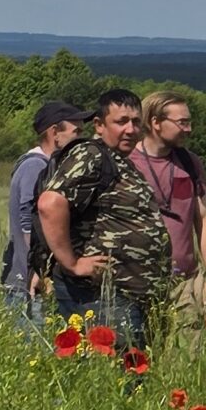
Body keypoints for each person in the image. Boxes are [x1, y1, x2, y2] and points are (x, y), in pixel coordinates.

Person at [37, 88, 170, 346]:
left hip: (128, 298)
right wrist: (72, 263)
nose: (131, 130)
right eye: (121, 122)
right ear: (98, 125)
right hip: (102, 297)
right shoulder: (92, 154)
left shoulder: (118, 160)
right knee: (113, 378)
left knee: (129, 378)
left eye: (135, 122)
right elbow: (50, 203)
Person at [131, 89, 206, 324]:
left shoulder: (189, 163)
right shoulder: (126, 163)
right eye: (182, 122)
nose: (189, 129)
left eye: (189, 122)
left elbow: (204, 218)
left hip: (185, 284)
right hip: (137, 285)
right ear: (155, 122)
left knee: (187, 355)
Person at [3, 100, 84, 328]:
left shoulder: (46, 165)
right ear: (54, 132)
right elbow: (28, 220)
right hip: (28, 284)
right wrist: (35, 270)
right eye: (76, 131)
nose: (81, 139)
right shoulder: (36, 167)